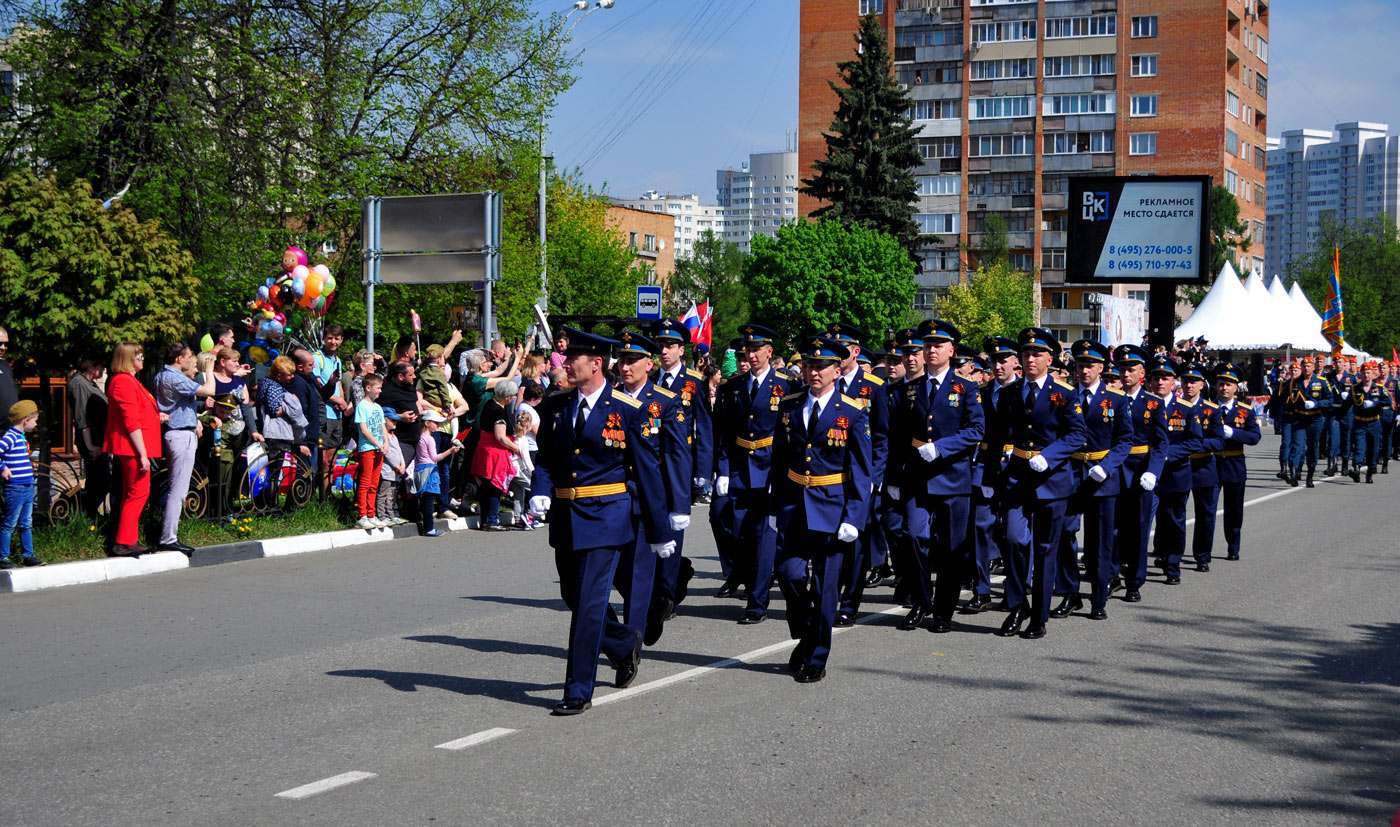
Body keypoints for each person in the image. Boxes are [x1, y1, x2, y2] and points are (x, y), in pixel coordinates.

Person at [528, 328, 670, 715]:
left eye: (574, 358)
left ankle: (578, 690)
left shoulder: (626, 408)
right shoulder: (556, 406)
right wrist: (540, 488)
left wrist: (660, 528)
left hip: (607, 516)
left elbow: (647, 470)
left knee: (590, 605)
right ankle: (624, 645)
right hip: (566, 516)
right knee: (573, 598)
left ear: (595, 364)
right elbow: (547, 459)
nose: (566, 364)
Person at [769, 335, 873, 682]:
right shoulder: (790, 405)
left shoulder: (853, 412)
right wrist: (775, 502)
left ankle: (816, 656)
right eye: (810, 365)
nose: (814, 371)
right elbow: (780, 458)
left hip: (832, 507)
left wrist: (854, 516)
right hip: (795, 504)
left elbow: (861, 469)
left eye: (822, 366)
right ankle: (808, 629)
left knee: (826, 588)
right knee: (789, 572)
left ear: (836, 369)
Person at [989, 328, 1086, 640]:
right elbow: (996, 436)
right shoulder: (1009, 393)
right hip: (1017, 477)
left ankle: (1039, 616)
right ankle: (1018, 604)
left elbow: (1077, 435)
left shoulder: (1064, 394)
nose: (1030, 359)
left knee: (1045, 549)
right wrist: (997, 474)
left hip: (1051, 481)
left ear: (1050, 359)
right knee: (1015, 540)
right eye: (1026, 354)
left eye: (1037, 354)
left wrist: (1051, 455)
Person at [887, 319, 983, 633]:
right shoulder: (909, 389)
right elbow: (897, 435)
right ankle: (920, 601)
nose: (930, 351)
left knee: (951, 549)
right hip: (917, 477)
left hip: (953, 478)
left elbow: (976, 431)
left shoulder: (965, 388)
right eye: (927, 345)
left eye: (937, 346)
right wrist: (895, 477)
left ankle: (943, 610)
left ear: (951, 351)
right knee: (914, 536)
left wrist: (941, 447)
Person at [712, 323, 792, 623]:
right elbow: (722, 432)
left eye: (758, 348)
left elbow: (791, 435)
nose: (752, 354)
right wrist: (721, 470)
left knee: (763, 537)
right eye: (748, 349)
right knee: (736, 530)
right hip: (739, 470)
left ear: (769, 352)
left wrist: (783, 474)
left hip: (770, 469)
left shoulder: (785, 386)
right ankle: (749, 580)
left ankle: (757, 603)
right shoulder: (733, 387)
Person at [1051, 340, 1133, 621]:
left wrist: (1107, 466)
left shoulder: (1117, 399)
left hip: (1101, 476)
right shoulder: (1063, 396)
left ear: (1101, 368)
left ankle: (1099, 597)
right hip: (1070, 472)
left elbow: (1124, 441)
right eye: (1079, 365)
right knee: (1064, 534)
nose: (1083, 370)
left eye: (1089, 365)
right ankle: (1069, 593)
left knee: (1099, 542)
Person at [647, 318, 712, 633]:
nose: (664, 351)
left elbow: (704, 427)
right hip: (651, 465)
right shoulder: (651, 380)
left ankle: (667, 593)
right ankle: (672, 576)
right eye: (660, 345)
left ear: (680, 349)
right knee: (651, 531)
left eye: (669, 345)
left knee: (673, 532)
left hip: (680, 466)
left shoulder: (693, 382)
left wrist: (703, 470)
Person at [825, 323, 889, 628]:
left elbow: (881, 436)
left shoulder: (873, 387)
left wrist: (874, 477)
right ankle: (826, 597)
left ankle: (850, 603)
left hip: (861, 477)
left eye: (843, 350)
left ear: (856, 351)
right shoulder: (826, 383)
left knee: (855, 542)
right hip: (829, 477)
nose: (837, 356)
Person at [1113, 345, 1169, 603]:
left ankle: (1134, 581)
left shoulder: (1153, 403)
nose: (1125, 374)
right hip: (1113, 469)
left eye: (1131, 369)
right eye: (1122, 369)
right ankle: (1110, 574)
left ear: (1142, 373)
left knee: (1138, 527)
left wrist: (1153, 472)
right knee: (1112, 527)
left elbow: (1160, 443)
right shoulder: (1110, 398)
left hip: (1140, 469)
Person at [154, 343, 216, 553]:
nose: (192, 360)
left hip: (179, 432)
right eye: (189, 356)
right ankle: (168, 537)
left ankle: (165, 531)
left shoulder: (163, 375)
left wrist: (195, 418)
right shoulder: (174, 376)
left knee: (175, 486)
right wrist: (209, 369)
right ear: (179, 359)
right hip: (180, 434)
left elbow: (181, 404)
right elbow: (209, 390)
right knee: (179, 490)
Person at [104, 343, 162, 557]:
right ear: (128, 359)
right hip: (132, 448)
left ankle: (127, 540)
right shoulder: (122, 382)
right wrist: (142, 454)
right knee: (137, 492)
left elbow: (138, 413)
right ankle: (124, 541)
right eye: (138, 357)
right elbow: (130, 421)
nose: (142, 360)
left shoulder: (129, 381)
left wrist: (157, 417)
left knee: (137, 492)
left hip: (135, 447)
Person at [1214, 363, 1262, 560]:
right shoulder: (1208, 408)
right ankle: (1203, 551)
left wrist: (1233, 433)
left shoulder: (1245, 411)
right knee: (1207, 509)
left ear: (1236, 387)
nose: (1224, 388)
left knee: (1234, 509)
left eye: (1228, 384)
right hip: (1212, 463)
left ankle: (1233, 545)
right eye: (1221, 384)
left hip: (1234, 463)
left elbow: (1254, 437)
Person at [470, 380, 522, 530]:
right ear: (507, 396)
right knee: (494, 487)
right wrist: (517, 448)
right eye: (512, 396)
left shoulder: (489, 403)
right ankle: (492, 520)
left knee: (486, 487)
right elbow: (500, 437)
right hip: (494, 452)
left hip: (485, 449)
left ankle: (486, 518)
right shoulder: (498, 411)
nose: (513, 399)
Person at [0, 400, 43, 569]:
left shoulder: (20, 437)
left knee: (26, 522)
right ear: (26, 419)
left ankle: (28, 555)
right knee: (10, 523)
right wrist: (2, 468)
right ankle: (3, 556)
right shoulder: (10, 436)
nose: (36, 423)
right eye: (35, 420)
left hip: (27, 485)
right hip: (15, 487)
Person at [68, 357, 110, 518]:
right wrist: (90, 446)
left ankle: (91, 516)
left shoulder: (90, 383)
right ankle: (87, 516)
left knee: (102, 480)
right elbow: (81, 417)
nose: (103, 370)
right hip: (92, 441)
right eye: (101, 365)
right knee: (98, 481)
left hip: (99, 439)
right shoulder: (79, 383)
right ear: (91, 366)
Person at [1285, 356, 1332, 488]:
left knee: (1312, 447)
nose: (1306, 368)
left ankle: (1310, 475)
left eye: (1309, 365)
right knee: (1297, 446)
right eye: (1304, 366)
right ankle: (1294, 473)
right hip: (1299, 419)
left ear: (1313, 367)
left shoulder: (1322, 381)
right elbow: (1288, 400)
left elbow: (1330, 400)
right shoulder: (1294, 382)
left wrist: (1316, 404)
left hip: (1315, 419)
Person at [314, 324, 351, 488]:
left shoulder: (338, 360)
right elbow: (318, 386)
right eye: (329, 338)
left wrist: (342, 402)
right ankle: (318, 496)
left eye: (337, 338)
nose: (333, 341)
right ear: (324, 339)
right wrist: (338, 401)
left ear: (341, 340)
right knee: (322, 460)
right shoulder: (317, 357)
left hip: (336, 415)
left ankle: (326, 495)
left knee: (332, 458)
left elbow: (339, 386)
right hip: (324, 414)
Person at [354, 374, 388, 529]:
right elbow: (363, 429)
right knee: (365, 481)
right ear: (368, 388)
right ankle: (362, 515)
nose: (380, 391)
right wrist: (377, 443)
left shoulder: (378, 407)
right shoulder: (362, 406)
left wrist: (385, 443)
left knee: (375, 483)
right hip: (368, 448)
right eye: (378, 388)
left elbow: (383, 427)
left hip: (379, 448)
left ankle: (371, 514)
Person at [1349, 361, 1386, 484]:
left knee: (1373, 449)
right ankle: (1357, 469)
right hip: (1359, 422)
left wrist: (1375, 403)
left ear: (1372, 374)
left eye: (1368, 373)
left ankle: (1370, 472)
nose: (1366, 375)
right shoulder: (1355, 388)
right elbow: (1347, 404)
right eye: (1364, 373)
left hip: (1374, 422)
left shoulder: (1379, 388)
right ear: (1360, 374)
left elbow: (1388, 402)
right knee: (1359, 447)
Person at [0, 326, 17, 419]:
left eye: (5, 344)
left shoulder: (5, 366)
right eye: (0, 343)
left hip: (10, 428)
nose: (3, 347)